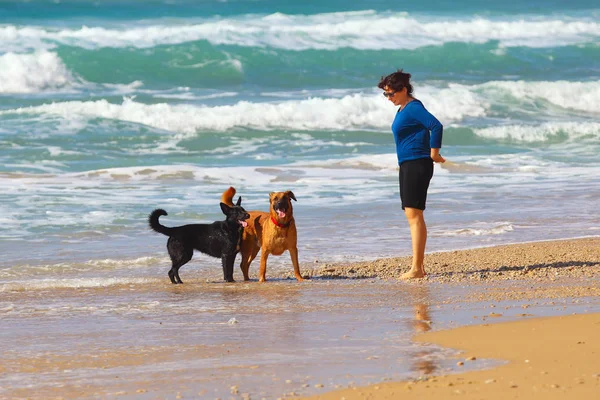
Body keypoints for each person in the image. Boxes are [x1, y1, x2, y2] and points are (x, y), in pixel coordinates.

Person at [377, 69, 445, 279]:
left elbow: (436, 126)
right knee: (411, 214)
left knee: (414, 215)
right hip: (408, 164)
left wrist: (434, 153)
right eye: (386, 94)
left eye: (391, 94)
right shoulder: (404, 108)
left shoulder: (414, 107)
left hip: (418, 163)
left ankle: (417, 268)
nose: (389, 98)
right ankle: (418, 267)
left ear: (403, 89)